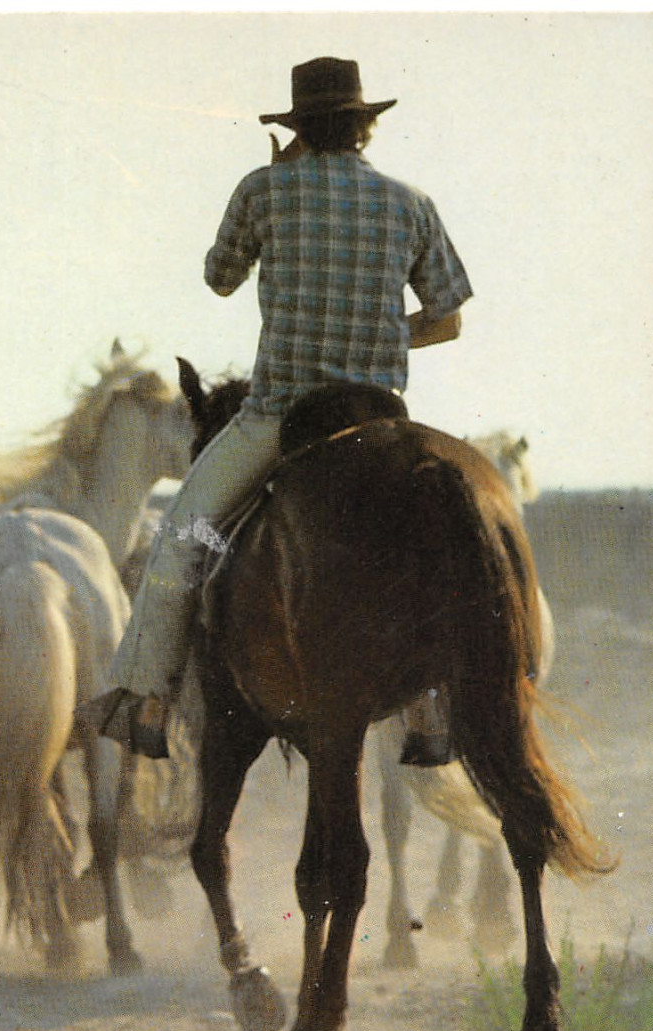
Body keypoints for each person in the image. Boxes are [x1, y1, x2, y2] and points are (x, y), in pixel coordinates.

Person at [80, 56, 474, 753]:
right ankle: (432, 709)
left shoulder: (264, 190)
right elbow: (448, 318)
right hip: (380, 417)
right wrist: (383, 332)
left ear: (298, 127)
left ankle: (146, 701)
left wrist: (276, 178)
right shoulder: (410, 202)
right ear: (364, 128)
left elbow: (219, 277)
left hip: (281, 419)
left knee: (184, 532)